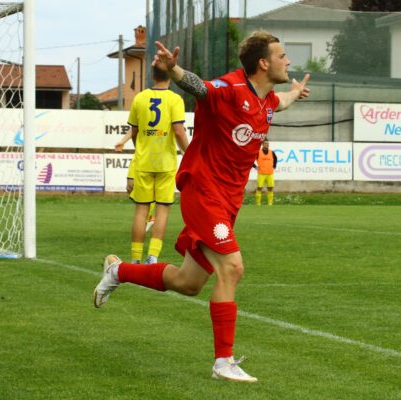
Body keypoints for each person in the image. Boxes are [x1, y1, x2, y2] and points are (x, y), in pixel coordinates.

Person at [93, 31, 310, 382]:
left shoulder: (266, 100)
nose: (288, 61)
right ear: (263, 63)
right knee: (232, 268)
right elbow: (201, 88)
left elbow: (282, 101)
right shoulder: (230, 89)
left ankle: (118, 272)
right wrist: (175, 71)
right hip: (203, 191)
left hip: (227, 203)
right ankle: (223, 362)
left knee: (187, 282)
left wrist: (296, 93)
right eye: (282, 55)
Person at [125, 65, 189, 264]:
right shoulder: (175, 99)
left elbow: (134, 132)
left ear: (151, 76)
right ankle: (152, 257)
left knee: (141, 211)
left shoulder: (140, 98)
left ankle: (135, 258)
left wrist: (140, 148)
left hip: (144, 162)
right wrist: (189, 152)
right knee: (162, 210)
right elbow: (178, 131)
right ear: (170, 75)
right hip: (166, 163)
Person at [115, 132, 156, 232]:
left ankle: (147, 218)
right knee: (130, 186)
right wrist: (122, 141)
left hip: (154, 156)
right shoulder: (141, 117)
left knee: (149, 190)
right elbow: (134, 128)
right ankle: (148, 217)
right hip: (139, 155)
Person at [254, 138, 277, 205]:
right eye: (265, 143)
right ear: (262, 144)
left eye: (268, 143)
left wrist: (274, 165)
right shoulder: (258, 152)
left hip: (270, 173)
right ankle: (258, 203)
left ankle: (270, 203)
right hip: (261, 173)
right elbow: (250, 160)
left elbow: (275, 159)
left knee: (270, 188)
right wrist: (255, 167)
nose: (267, 145)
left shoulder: (271, 152)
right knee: (259, 188)